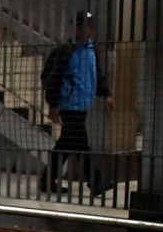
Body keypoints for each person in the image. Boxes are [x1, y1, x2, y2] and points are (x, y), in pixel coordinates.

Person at [39, 11, 115, 196]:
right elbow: (53, 77)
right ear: (77, 28)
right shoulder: (66, 51)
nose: (93, 29)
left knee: (65, 145)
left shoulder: (91, 50)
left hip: (83, 105)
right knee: (81, 144)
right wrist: (53, 104)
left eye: (93, 25)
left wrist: (106, 94)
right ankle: (95, 181)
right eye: (89, 25)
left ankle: (46, 180)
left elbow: (97, 74)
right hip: (69, 105)